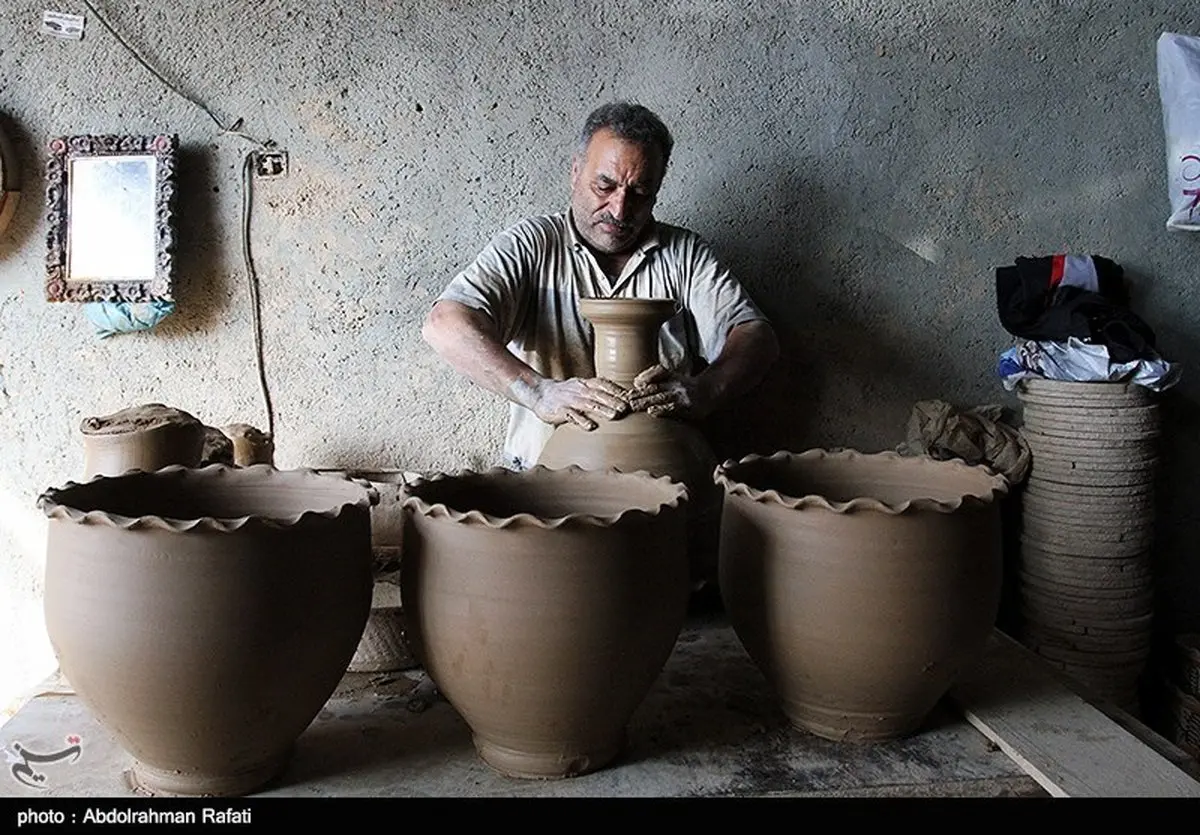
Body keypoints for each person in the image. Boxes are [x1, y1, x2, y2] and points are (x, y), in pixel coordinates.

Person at [423, 101, 780, 471]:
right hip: (542, 479)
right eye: (605, 185)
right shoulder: (532, 245)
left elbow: (756, 335)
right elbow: (444, 324)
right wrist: (539, 391)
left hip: (665, 474)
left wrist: (707, 390)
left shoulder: (685, 254)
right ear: (575, 173)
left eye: (640, 192)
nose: (620, 210)